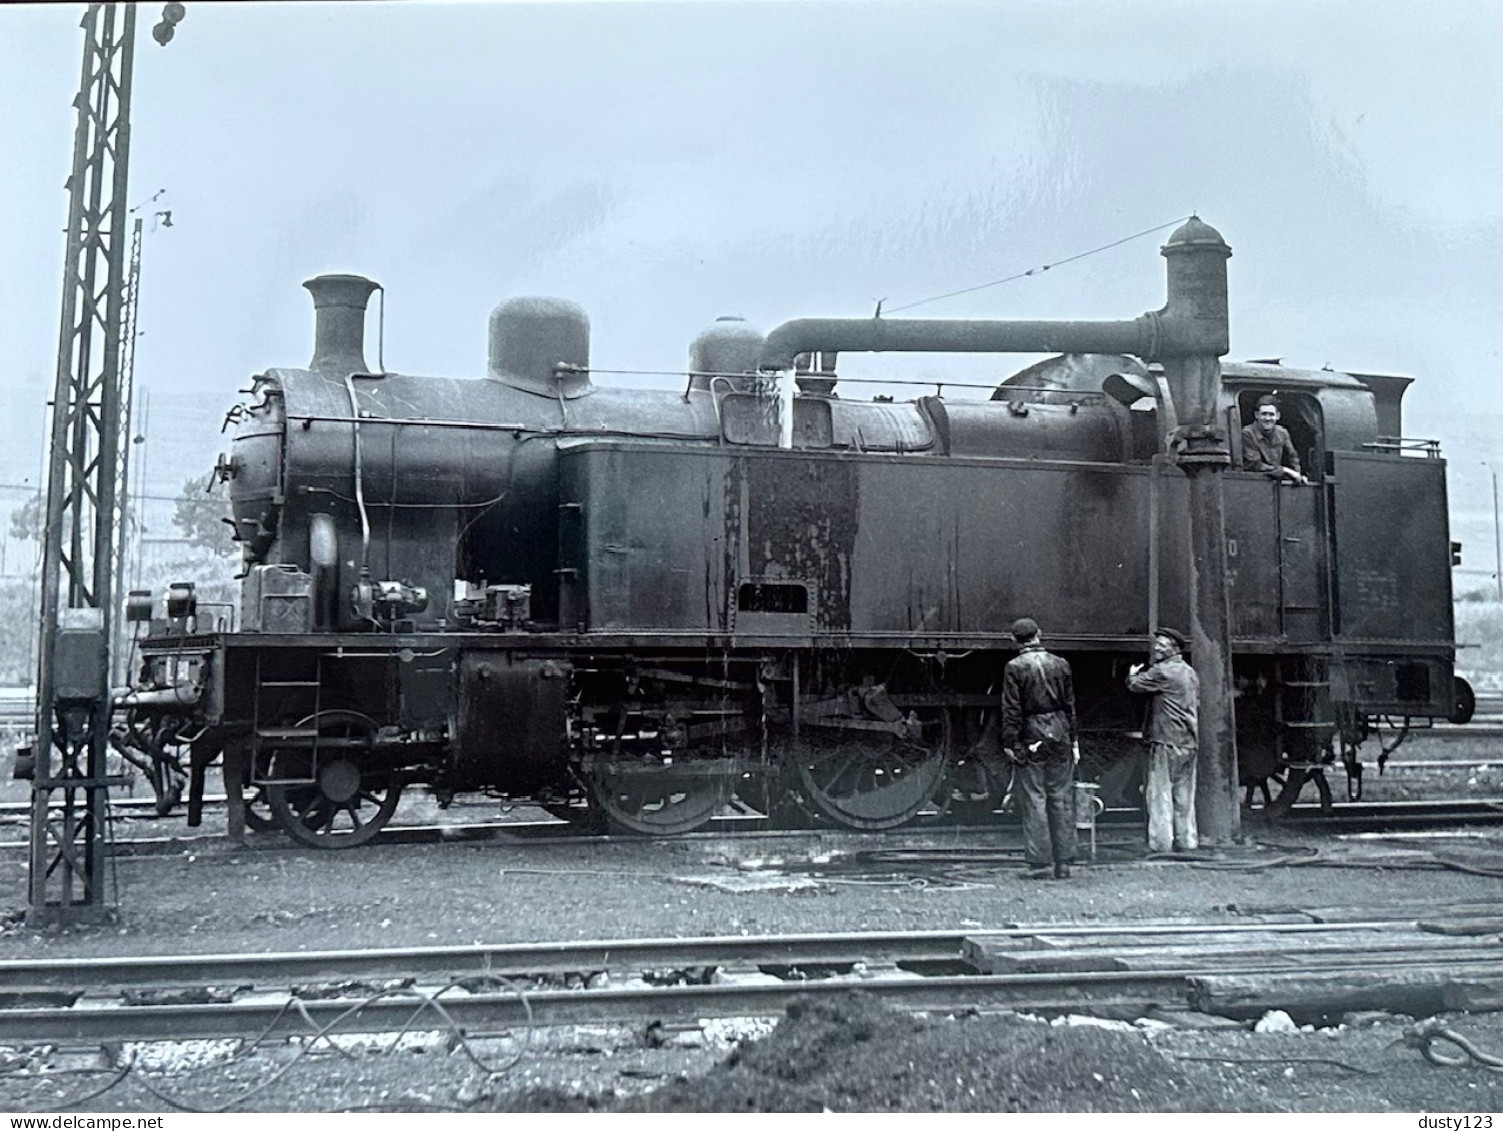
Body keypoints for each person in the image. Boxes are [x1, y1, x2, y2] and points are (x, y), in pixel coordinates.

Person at [1000, 617, 1078, 879]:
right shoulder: (1061, 663)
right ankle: (1064, 863)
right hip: (1060, 730)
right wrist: (1074, 739)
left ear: (1014, 639)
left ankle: (1040, 863)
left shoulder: (1014, 667)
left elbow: (1012, 709)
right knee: (1061, 796)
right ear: (1039, 634)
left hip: (1033, 732)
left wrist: (1010, 742)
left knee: (1034, 797)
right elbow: (1070, 705)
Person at [1126, 627, 1200, 853]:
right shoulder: (1189, 672)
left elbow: (1135, 685)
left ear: (1173, 648)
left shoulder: (1163, 672)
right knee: (1184, 794)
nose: (1156, 648)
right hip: (1188, 740)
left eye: (1161, 644)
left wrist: (1132, 673)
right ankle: (1187, 840)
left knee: (1159, 793)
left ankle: (1161, 844)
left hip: (1165, 739)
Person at [1241, 395, 1308, 484]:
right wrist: (1284, 470)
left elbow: (1292, 457)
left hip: (1276, 483)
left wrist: (1297, 474)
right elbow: (1255, 465)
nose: (1268, 419)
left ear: (1278, 416)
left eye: (1271, 414)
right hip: (1254, 482)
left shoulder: (1282, 433)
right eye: (1264, 414)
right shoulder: (1247, 433)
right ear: (1256, 415)